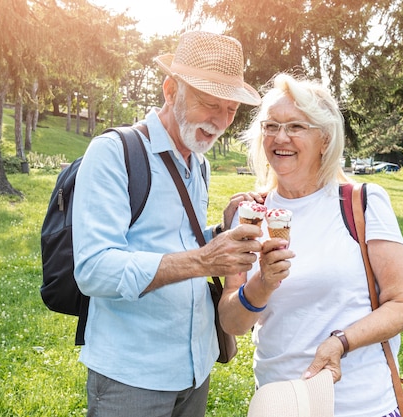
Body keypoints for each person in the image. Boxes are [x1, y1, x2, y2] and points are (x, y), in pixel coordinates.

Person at [71, 31, 263, 417]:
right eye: (210, 104)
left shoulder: (199, 161)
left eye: (230, 109)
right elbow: (93, 269)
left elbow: (172, 238)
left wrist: (221, 232)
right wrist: (204, 260)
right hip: (132, 376)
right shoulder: (114, 151)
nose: (220, 121)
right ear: (170, 89)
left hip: (196, 367)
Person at [218, 73, 403, 417]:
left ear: (325, 139)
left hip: (359, 405)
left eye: (296, 126)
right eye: (271, 126)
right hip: (280, 404)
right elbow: (232, 323)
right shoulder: (249, 214)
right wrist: (263, 283)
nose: (281, 137)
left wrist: (339, 343)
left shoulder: (362, 202)